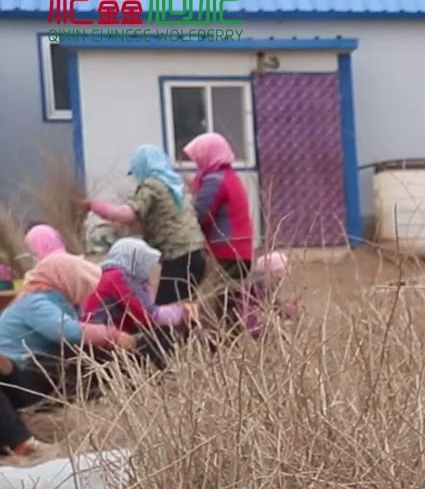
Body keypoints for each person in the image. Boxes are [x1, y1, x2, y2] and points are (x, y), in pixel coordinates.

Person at [0, 253, 132, 456]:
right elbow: (68, 331)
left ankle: (117, 385)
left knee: (81, 352)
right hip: (23, 376)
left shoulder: (50, 301)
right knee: (75, 351)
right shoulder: (34, 302)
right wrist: (112, 335)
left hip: (17, 377)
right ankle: (22, 441)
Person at [85, 144, 208, 304]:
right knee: (185, 312)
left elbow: (128, 213)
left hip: (178, 258)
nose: (137, 177)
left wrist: (94, 206)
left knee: (165, 317)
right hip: (196, 255)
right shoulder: (175, 185)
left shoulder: (152, 185)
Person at [82, 238, 195, 366]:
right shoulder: (118, 277)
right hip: (102, 343)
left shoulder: (113, 276)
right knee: (163, 335)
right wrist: (182, 312)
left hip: (106, 338)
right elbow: (149, 315)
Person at [185, 132, 255, 310]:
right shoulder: (228, 176)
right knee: (228, 308)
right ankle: (234, 338)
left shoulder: (214, 180)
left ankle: (228, 338)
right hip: (239, 251)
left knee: (217, 309)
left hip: (226, 252)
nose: (196, 163)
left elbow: (200, 215)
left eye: (198, 157)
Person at [234, 252, 297, 339]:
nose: (279, 284)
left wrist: (285, 311)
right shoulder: (249, 292)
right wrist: (272, 324)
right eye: (278, 279)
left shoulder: (265, 292)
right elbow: (249, 325)